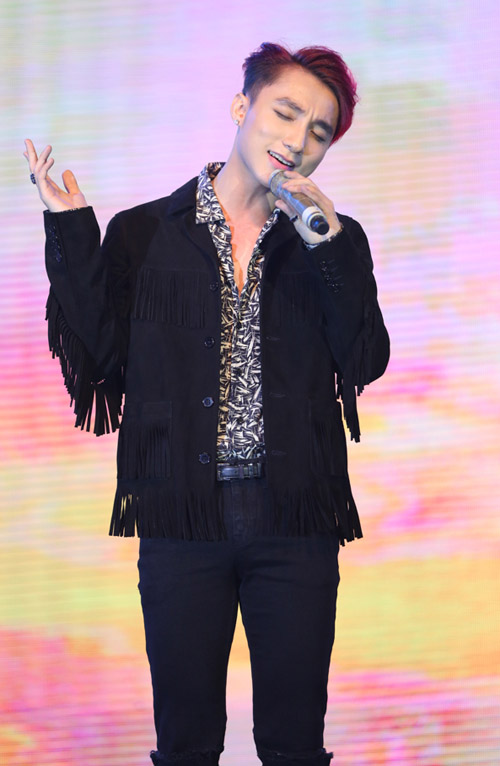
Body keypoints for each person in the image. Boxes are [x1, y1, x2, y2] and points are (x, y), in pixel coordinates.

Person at [25, 42, 389, 766]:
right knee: (185, 745)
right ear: (240, 107)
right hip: (181, 518)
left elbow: (364, 360)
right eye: (285, 113)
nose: (298, 139)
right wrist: (70, 231)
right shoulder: (145, 233)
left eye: (319, 131)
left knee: (293, 745)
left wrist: (329, 249)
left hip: (295, 519)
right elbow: (100, 357)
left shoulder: (330, 242)